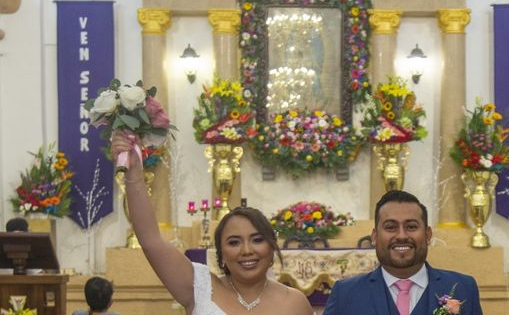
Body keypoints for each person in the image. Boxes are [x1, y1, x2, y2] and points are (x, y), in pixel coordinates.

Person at [111, 131, 313, 315]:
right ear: (221, 254)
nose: (246, 250)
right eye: (234, 242)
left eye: (257, 239)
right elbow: (150, 241)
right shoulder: (198, 287)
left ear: (271, 247)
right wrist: (134, 170)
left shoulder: (294, 302)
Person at [325, 190, 483, 315]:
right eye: (391, 227)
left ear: (428, 234)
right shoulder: (345, 293)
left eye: (411, 227)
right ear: (374, 236)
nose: (401, 236)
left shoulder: (464, 287)